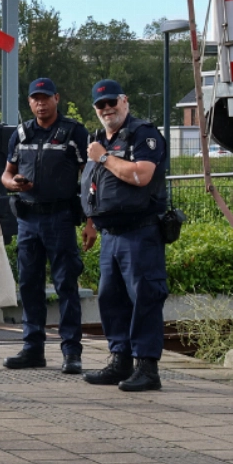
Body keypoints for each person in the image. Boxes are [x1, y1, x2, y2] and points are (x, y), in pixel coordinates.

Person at [81, 79, 169, 392]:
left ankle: (147, 367)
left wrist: (104, 157)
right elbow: (94, 186)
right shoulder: (98, 139)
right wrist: (90, 222)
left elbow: (141, 175)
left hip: (139, 232)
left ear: (124, 101)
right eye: (100, 105)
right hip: (110, 234)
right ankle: (120, 360)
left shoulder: (143, 134)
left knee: (145, 297)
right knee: (111, 299)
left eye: (111, 102)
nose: (107, 109)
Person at [0, 77, 91, 374]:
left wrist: (91, 220)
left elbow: (91, 178)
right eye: (35, 98)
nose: (40, 103)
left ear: (56, 99)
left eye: (45, 97)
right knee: (29, 285)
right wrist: (14, 183)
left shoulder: (74, 133)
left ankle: (71, 352)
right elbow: (6, 174)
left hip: (60, 218)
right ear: (29, 102)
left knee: (66, 285)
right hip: (28, 219)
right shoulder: (21, 133)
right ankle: (32, 349)